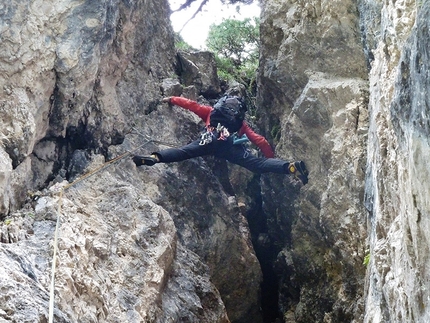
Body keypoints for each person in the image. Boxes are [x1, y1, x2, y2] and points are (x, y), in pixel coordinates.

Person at [133, 95, 308, 185]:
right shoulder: (240, 124)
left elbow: (191, 105)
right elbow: (260, 141)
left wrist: (171, 99)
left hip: (209, 139)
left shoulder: (211, 111)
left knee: (183, 152)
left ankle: (155, 158)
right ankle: (291, 167)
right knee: (257, 165)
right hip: (227, 146)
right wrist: (271, 159)